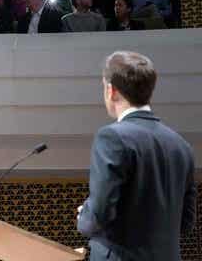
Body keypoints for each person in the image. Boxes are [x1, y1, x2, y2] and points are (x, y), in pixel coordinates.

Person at [77, 51, 197, 261]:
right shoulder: (181, 146)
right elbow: (185, 222)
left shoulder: (111, 137)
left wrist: (84, 215)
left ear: (111, 90)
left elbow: (100, 214)